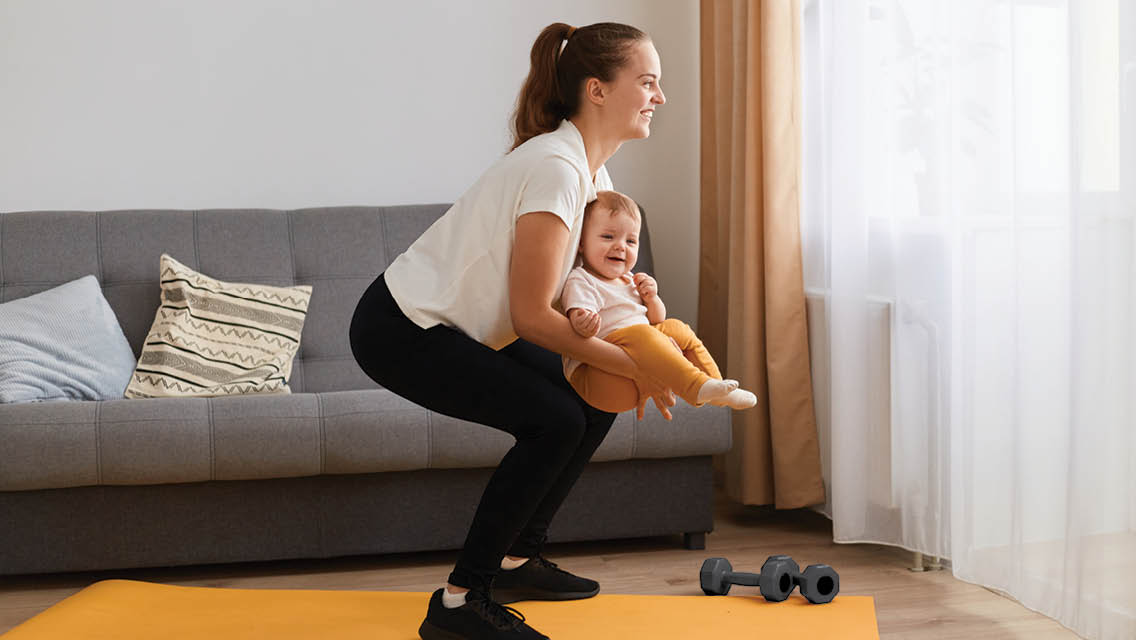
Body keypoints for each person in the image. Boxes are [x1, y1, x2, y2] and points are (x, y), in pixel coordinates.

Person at [349, 21, 672, 640]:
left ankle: (517, 556)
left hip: (456, 327)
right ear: (598, 90)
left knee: (590, 391)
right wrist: (641, 367)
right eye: (648, 82)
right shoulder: (556, 168)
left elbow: (588, 304)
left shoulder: (593, 176)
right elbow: (531, 317)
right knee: (555, 420)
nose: (659, 97)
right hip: (404, 326)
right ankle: (458, 602)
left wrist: (641, 350)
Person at [561, 190, 757, 413]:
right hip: (601, 378)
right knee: (642, 333)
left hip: (634, 365)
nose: (621, 246)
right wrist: (582, 321)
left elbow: (656, 319)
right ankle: (696, 386)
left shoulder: (631, 280)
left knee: (677, 328)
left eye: (631, 241)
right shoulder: (582, 279)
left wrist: (651, 298)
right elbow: (578, 321)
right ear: (581, 243)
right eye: (608, 237)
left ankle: (719, 390)